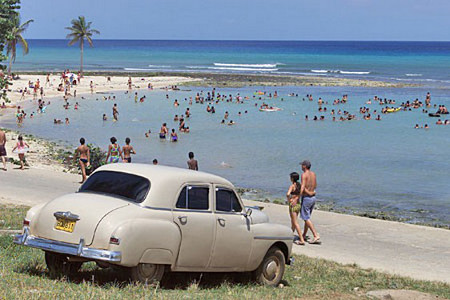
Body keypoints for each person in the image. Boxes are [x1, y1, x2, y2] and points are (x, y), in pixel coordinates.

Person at [300, 160, 320, 244]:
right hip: (313, 198)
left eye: (302, 165)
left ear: (304, 166)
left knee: (305, 217)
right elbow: (315, 185)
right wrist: (311, 192)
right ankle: (304, 235)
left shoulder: (304, 175)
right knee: (307, 217)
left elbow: (302, 187)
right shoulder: (313, 174)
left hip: (307, 198)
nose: (301, 167)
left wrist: (298, 197)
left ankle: (315, 235)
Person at [286, 172, 305, 245]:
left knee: (294, 222)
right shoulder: (299, 185)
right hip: (298, 204)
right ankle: (290, 235)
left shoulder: (292, 186)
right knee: (293, 221)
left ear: (292, 178)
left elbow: (288, 194)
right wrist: (296, 198)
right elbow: (300, 193)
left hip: (293, 205)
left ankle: (301, 239)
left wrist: (289, 200)